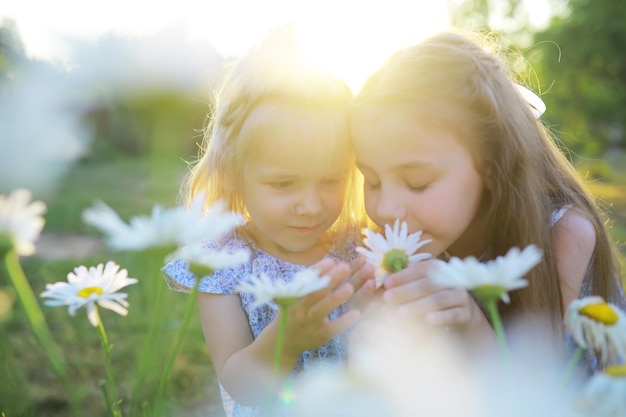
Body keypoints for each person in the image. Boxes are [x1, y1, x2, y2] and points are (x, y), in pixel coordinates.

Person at [348, 29, 626, 366]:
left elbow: (535, 391)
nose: (385, 208)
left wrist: (469, 319)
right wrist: (379, 318)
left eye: (417, 182)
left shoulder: (564, 233)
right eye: (372, 181)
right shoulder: (417, 239)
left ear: (491, 166)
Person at [162, 26, 366, 416]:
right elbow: (241, 386)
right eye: (284, 183)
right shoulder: (223, 263)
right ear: (233, 174)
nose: (310, 204)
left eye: (330, 180)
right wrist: (288, 340)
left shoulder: (358, 247)